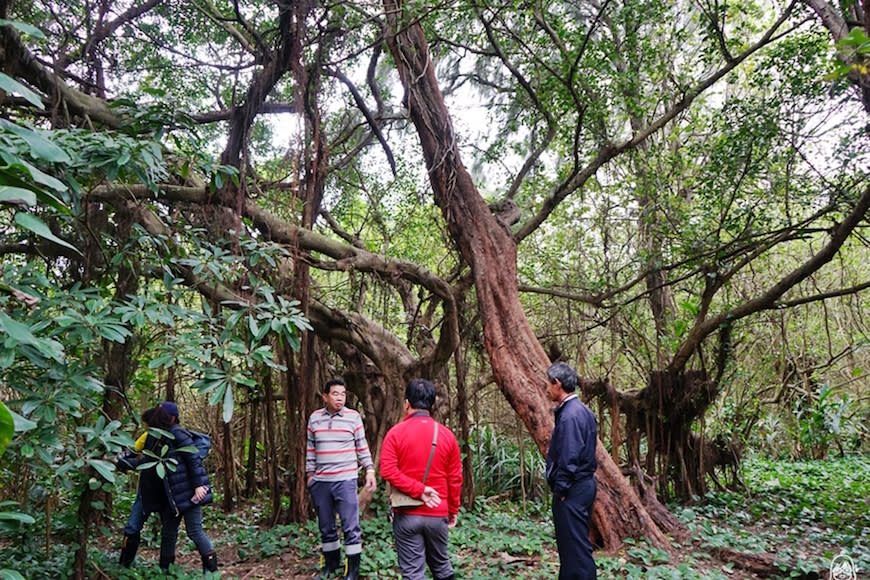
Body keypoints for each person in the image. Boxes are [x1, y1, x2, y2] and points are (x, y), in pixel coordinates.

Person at [379, 378, 463, 580]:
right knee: (442, 567)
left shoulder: (395, 434)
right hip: (438, 513)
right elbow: (455, 479)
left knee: (413, 573)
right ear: (432, 404)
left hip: (407, 514)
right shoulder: (446, 435)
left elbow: (388, 471)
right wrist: (452, 510)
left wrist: (417, 490)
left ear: (406, 403)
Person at [135, 402, 218, 573]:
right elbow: (145, 462)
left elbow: (193, 458)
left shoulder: (177, 433)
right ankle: (165, 570)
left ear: (171, 418)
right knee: (168, 533)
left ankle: (211, 571)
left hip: (189, 493)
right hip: (170, 495)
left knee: (194, 531)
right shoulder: (156, 436)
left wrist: (198, 486)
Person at [306, 378, 377, 580]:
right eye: (335, 394)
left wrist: (369, 470)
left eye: (343, 394)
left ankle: (352, 570)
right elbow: (310, 449)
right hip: (321, 482)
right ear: (325, 396)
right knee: (326, 526)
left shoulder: (353, 418)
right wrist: (310, 477)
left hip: (345, 479)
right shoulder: (315, 418)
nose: (340, 398)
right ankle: (331, 564)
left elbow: (362, 446)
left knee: (350, 525)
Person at [545, 361, 598, 579]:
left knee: (575, 549)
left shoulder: (570, 415)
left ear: (558, 384)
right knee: (570, 547)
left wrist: (561, 489)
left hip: (573, 490)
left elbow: (569, 455)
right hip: (581, 487)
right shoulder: (581, 411)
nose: (547, 389)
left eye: (548, 384)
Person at [117, 406, 157, 567]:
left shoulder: (151, 436)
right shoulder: (148, 436)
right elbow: (131, 453)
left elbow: (131, 457)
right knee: (132, 528)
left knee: (133, 526)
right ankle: (125, 564)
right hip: (153, 490)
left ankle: (125, 564)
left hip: (153, 490)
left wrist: (117, 460)